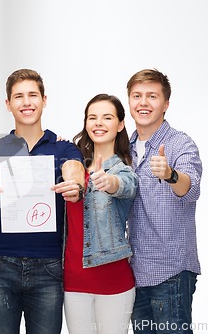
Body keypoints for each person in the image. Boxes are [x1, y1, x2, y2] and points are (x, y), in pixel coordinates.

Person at [0, 68, 85, 334]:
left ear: (44, 100)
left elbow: (74, 170)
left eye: (33, 95)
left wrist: (76, 185)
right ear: (8, 104)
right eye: (19, 96)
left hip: (48, 267)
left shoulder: (63, 147)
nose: (26, 102)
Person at [126, 69, 202, 334]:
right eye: (137, 96)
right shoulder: (125, 148)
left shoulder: (180, 144)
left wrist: (170, 175)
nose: (143, 103)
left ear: (165, 104)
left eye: (152, 96)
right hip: (134, 272)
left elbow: (190, 187)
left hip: (170, 272)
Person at [63, 94, 137, 334]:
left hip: (113, 282)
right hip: (73, 282)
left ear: (120, 124)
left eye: (107, 117)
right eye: (92, 117)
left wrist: (110, 182)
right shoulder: (73, 167)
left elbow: (126, 185)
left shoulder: (123, 170)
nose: (98, 123)